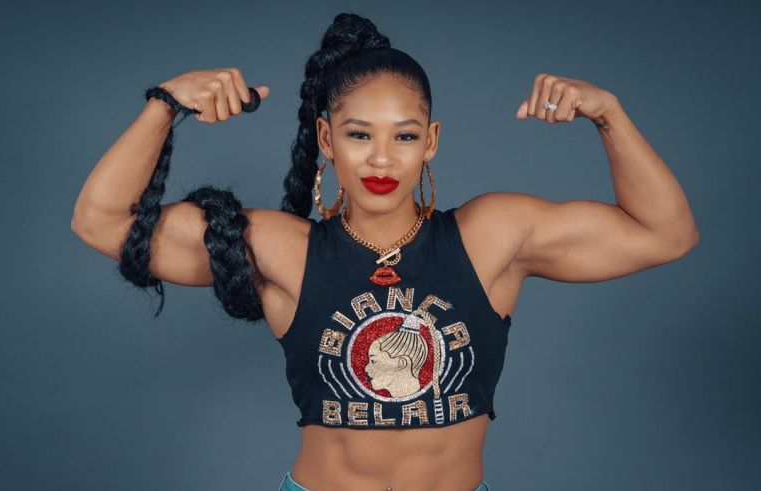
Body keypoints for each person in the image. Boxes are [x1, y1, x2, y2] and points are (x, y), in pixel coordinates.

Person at [70, 11, 699, 491]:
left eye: (403, 135)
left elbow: (665, 233)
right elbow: (100, 222)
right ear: (326, 139)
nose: (379, 157)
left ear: (430, 142)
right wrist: (166, 104)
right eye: (358, 134)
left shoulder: (491, 236)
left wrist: (609, 115)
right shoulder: (279, 248)